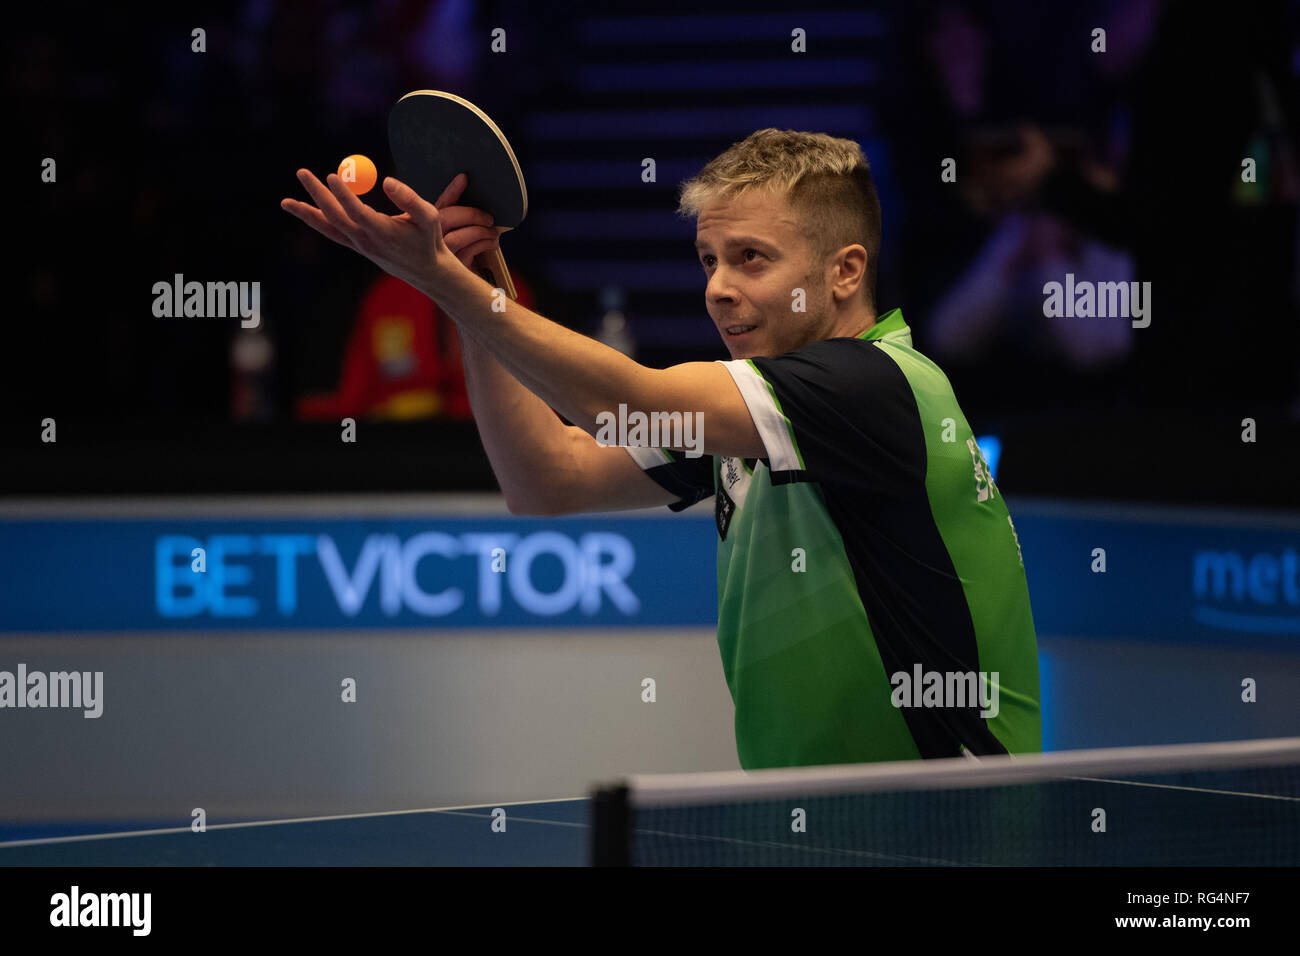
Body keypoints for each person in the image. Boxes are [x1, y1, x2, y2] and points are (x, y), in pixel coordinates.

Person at [281, 128, 1040, 769]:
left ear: (844, 271)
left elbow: (627, 404)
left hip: (949, 823)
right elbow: (550, 478)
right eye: (709, 259)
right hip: (822, 821)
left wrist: (454, 288)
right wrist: (472, 288)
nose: (717, 287)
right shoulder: (759, 417)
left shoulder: (874, 387)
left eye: (751, 258)